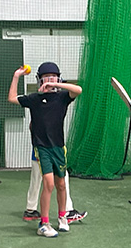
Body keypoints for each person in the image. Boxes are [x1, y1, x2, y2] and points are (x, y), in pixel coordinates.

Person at [9, 62, 82, 237]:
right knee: (48, 184)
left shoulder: (63, 97)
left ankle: (63, 217)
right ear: (39, 80)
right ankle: (44, 223)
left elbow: (78, 90)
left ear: (58, 78)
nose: (49, 80)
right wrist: (16, 76)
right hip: (42, 148)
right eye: (46, 78)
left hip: (59, 148)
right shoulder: (34, 99)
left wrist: (56, 85)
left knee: (61, 185)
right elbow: (12, 98)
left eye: (53, 77)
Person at [23, 151, 87, 223]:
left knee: (36, 178)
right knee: (62, 177)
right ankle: (68, 210)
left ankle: (30, 210)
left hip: (39, 151)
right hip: (51, 151)